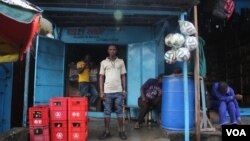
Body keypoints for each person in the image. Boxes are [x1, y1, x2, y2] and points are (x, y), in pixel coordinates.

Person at [99, 45, 127, 140]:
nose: (112, 51)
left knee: (119, 112)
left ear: (116, 51)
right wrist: (102, 91)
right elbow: (101, 77)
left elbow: (123, 76)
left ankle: (121, 131)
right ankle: (106, 132)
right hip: (107, 92)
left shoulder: (121, 62)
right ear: (108, 51)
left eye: (114, 49)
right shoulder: (103, 62)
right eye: (110, 49)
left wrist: (124, 90)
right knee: (107, 112)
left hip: (119, 91)